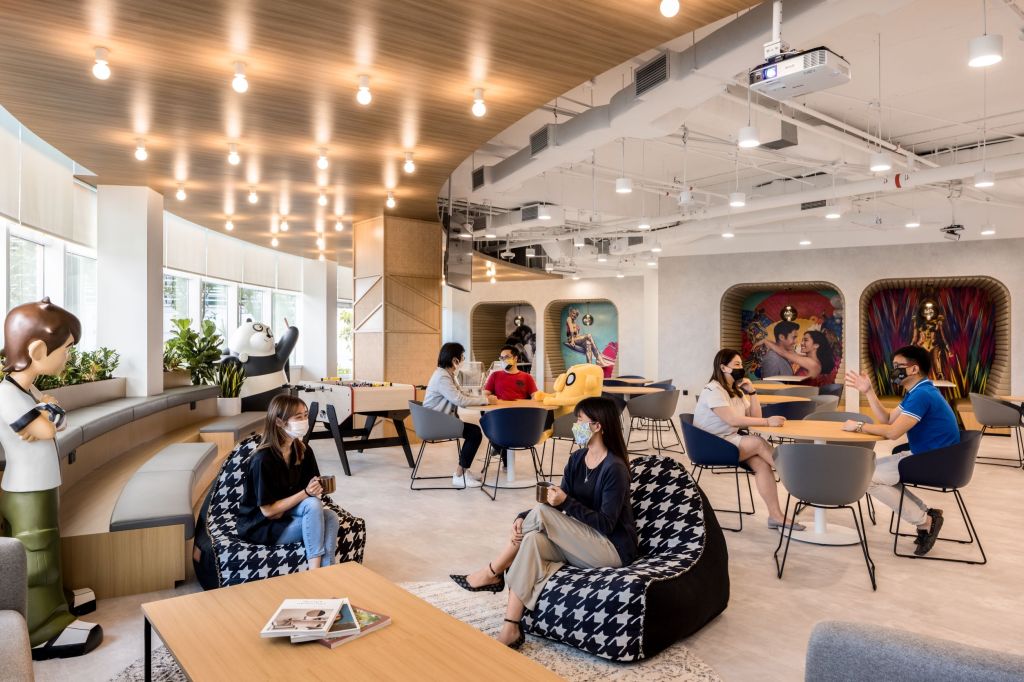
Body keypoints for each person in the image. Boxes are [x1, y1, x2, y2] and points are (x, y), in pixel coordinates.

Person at [449, 397, 637, 649]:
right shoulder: (577, 459)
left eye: (579, 420)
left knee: (541, 514)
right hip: (583, 542)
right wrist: (522, 516)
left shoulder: (614, 468)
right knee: (532, 541)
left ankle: (493, 571)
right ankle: (511, 628)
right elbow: (554, 502)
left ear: (597, 426)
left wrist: (566, 502)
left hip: (611, 549)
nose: (575, 426)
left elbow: (605, 524)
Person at [843, 345, 959, 556]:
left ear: (914, 369)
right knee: (866, 472)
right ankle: (926, 515)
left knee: (865, 478)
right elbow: (888, 419)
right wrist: (868, 391)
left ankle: (925, 521)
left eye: (898, 366)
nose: (893, 370)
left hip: (935, 462)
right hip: (930, 456)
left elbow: (893, 432)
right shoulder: (918, 391)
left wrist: (859, 426)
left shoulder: (922, 395)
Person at [693, 349, 805, 531]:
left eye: (740, 364)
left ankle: (775, 516)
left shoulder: (735, 390)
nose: (740, 368)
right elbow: (733, 420)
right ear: (723, 367)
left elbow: (755, 416)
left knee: (762, 464)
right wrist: (768, 422)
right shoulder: (713, 390)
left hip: (728, 440)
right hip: (710, 444)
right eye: (736, 365)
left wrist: (752, 393)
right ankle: (798, 478)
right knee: (758, 443)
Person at [237, 394, 339, 569]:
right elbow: (269, 512)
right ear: (279, 422)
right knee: (313, 505)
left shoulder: (303, 450)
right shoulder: (263, 459)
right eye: (298, 417)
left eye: (306, 415)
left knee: (330, 516)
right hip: (262, 525)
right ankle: (315, 572)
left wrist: (317, 489)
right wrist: (306, 493)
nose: (305, 421)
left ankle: (328, 570)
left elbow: (311, 489)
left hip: (286, 513)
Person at [422, 342, 497, 487]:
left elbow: (461, 395)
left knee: (473, 431)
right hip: (435, 423)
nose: (463, 360)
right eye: (462, 357)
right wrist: (487, 400)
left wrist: (483, 399)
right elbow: (459, 400)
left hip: (438, 420)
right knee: (474, 433)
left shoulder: (447, 375)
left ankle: (463, 472)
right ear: (454, 360)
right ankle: (459, 475)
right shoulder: (442, 377)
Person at [761, 329, 836, 387]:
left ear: (816, 345)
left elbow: (784, 353)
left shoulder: (813, 364)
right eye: (802, 340)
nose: (802, 343)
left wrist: (766, 341)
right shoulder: (808, 360)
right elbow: (789, 351)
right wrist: (773, 343)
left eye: (806, 340)